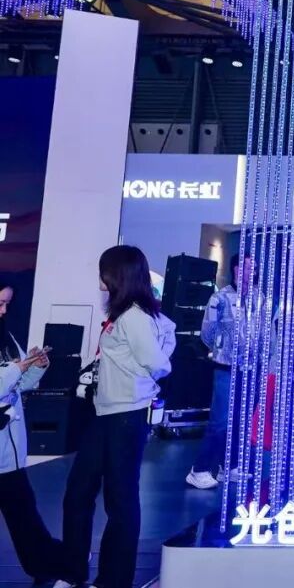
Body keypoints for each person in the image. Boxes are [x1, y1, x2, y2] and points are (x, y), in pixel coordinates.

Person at [54, 246, 176, 588]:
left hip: (125, 417)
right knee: (79, 493)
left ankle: (113, 580)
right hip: (106, 414)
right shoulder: (125, 314)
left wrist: (141, 380)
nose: (100, 278)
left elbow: (160, 363)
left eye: (104, 271)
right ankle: (73, 571)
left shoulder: (134, 317)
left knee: (120, 502)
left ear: (117, 275)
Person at [0, 281, 63, 584]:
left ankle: (49, 565)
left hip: (8, 452)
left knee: (24, 513)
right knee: (23, 513)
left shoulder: (7, 337)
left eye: (6, 304)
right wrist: (17, 368)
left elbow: (20, 385)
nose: (3, 310)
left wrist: (35, 366)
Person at [186, 253, 252, 489]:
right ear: (235, 269)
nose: (250, 272)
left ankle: (230, 467)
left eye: (253, 268)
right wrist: (224, 348)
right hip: (226, 367)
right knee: (220, 421)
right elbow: (207, 332)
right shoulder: (220, 298)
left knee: (240, 420)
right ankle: (199, 469)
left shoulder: (259, 298)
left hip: (249, 368)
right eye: (245, 267)